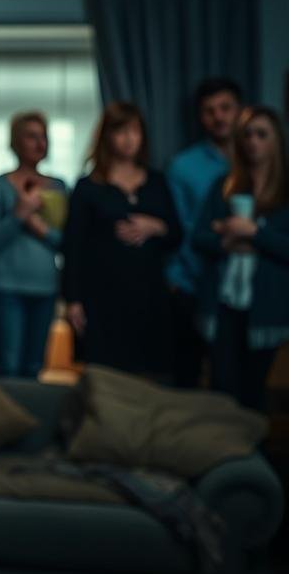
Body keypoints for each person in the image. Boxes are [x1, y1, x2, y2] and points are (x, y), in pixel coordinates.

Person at [62, 101, 182, 377]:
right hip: (103, 298)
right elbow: (73, 248)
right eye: (120, 131)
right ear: (107, 136)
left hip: (150, 296)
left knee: (153, 373)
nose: (128, 139)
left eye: (134, 131)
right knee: (107, 375)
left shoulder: (156, 181)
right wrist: (73, 300)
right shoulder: (88, 186)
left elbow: (177, 234)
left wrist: (155, 227)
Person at [193, 107, 289, 410]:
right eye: (247, 134)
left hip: (266, 304)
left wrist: (255, 235)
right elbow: (198, 238)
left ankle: (252, 455)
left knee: (254, 391)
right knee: (221, 387)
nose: (253, 141)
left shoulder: (286, 191)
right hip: (223, 302)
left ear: (276, 141)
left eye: (262, 134)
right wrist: (229, 240)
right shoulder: (224, 186)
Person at [166, 78, 243, 387]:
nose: (219, 117)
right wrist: (179, 281)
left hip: (242, 287)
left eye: (225, 108)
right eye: (210, 111)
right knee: (187, 376)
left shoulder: (258, 160)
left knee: (236, 378)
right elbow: (179, 228)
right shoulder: (183, 166)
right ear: (200, 117)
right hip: (191, 285)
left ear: (240, 110)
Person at [0, 112, 66, 378]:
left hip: (45, 288)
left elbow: (66, 243)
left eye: (44, 136)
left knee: (34, 368)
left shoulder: (59, 187)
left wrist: (37, 226)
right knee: (7, 367)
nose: (40, 143)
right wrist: (19, 214)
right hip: (6, 288)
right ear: (15, 142)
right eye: (31, 136)